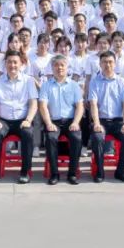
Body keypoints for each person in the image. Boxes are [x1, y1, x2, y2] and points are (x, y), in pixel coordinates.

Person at [0, 50, 39, 184]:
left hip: (23, 120)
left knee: (28, 134)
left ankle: (25, 172)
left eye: (15, 62)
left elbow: (33, 103)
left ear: (21, 64)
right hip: (3, 120)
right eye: (9, 62)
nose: (12, 65)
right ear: (5, 64)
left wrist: (28, 120)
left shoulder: (28, 80)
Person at [89, 51, 124, 183]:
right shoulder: (94, 81)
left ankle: (120, 171)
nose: (107, 65)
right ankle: (100, 172)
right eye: (104, 62)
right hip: (101, 121)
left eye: (110, 62)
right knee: (98, 138)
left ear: (115, 64)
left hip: (118, 121)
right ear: (100, 64)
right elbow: (93, 104)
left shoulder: (121, 81)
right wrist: (96, 123)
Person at [38, 54, 85, 185]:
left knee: (76, 138)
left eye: (62, 65)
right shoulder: (46, 85)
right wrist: (48, 123)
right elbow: (42, 106)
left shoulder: (74, 85)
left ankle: (72, 173)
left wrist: (76, 122)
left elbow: (80, 106)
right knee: (51, 138)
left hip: (71, 121)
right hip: (54, 122)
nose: (59, 68)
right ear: (52, 68)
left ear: (67, 67)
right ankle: (54, 174)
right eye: (56, 65)